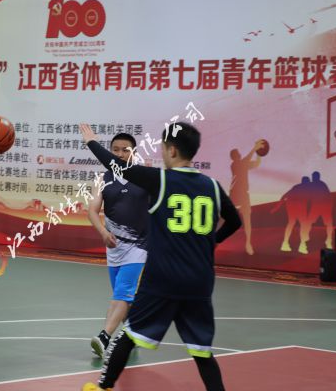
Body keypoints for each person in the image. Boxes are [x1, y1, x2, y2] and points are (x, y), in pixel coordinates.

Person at [80, 122, 242, 391]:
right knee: (202, 351)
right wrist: (212, 242)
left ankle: (103, 386)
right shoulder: (212, 186)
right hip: (200, 281)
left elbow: (116, 165)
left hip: (164, 278)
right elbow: (235, 221)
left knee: (129, 335)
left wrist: (91, 142)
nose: (162, 152)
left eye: (164, 147)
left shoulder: (161, 179)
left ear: (173, 150)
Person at [87, 133, 149, 358]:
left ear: (134, 153)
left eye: (125, 150)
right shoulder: (102, 179)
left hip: (139, 247)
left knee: (122, 293)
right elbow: (92, 211)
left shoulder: (144, 176)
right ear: (110, 152)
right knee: (124, 299)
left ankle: (104, 337)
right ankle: (133, 334)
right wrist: (103, 232)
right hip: (114, 248)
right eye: (116, 150)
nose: (120, 154)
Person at [228, 140, 265, 255]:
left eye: (238, 153)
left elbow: (257, 164)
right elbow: (247, 159)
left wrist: (259, 153)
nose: (239, 154)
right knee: (227, 218)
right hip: (235, 194)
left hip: (243, 194)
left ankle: (248, 243)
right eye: (237, 153)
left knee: (247, 219)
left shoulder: (243, 164)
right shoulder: (235, 165)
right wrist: (255, 148)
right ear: (234, 157)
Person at [272, 176, 311, 254]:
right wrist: (277, 207)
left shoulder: (296, 187)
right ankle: (302, 245)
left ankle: (285, 243)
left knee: (292, 223)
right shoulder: (306, 189)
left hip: (291, 206)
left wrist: (277, 207)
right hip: (296, 207)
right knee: (302, 224)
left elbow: (284, 196)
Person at [305, 171, 333, 249]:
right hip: (316, 207)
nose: (313, 178)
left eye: (314, 176)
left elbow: (328, 195)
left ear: (317, 177)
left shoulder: (322, 184)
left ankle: (328, 241)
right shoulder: (312, 184)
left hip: (324, 206)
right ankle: (306, 238)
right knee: (309, 223)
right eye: (313, 176)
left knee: (329, 224)